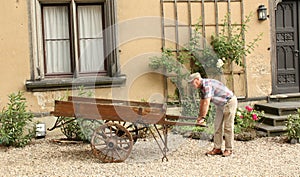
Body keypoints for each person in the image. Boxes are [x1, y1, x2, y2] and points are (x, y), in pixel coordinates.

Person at [188, 72, 238, 157]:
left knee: (228, 127)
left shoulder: (207, 85)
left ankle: (229, 149)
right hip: (221, 105)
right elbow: (202, 102)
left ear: (196, 80)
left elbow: (206, 102)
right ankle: (217, 148)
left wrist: (203, 117)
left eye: (192, 82)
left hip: (229, 102)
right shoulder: (202, 87)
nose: (191, 85)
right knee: (217, 126)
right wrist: (200, 117)